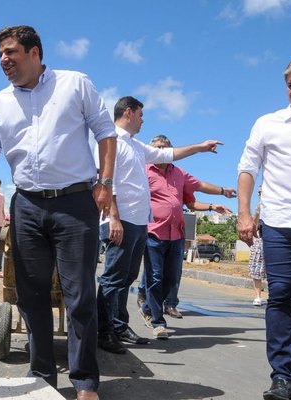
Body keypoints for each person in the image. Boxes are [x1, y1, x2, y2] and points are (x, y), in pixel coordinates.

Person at [0, 25, 117, 400]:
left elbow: (105, 133)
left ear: (34, 53)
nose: (3, 60)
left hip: (76, 203)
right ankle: (42, 374)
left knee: (78, 295)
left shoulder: (75, 84)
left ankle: (85, 383)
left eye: (10, 52)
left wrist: (105, 183)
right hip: (26, 204)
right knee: (31, 294)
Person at [97, 96, 222, 353]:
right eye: (141, 115)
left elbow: (168, 153)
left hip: (138, 222)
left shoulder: (136, 145)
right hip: (121, 221)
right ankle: (103, 331)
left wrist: (199, 147)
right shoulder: (112, 140)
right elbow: (108, 181)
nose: (143, 121)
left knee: (128, 277)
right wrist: (115, 218)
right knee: (113, 278)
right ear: (129, 113)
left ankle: (119, 326)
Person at [237, 54, 291, 400]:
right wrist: (244, 213)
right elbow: (247, 169)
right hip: (280, 222)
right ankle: (281, 375)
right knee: (281, 294)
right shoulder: (268, 123)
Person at [136, 134, 235, 339]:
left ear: (171, 151)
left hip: (176, 234)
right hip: (153, 232)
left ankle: (147, 308)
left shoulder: (179, 173)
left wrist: (220, 194)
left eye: (164, 147)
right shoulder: (142, 171)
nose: (161, 151)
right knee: (155, 277)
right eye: (156, 147)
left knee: (171, 279)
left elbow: (197, 189)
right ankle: (158, 322)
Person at [248, 185, 266, 307]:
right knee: (256, 269)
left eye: (261, 192)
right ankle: (258, 296)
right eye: (258, 193)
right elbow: (254, 223)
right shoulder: (259, 207)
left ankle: (274, 296)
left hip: (276, 240)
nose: (259, 194)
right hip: (261, 240)